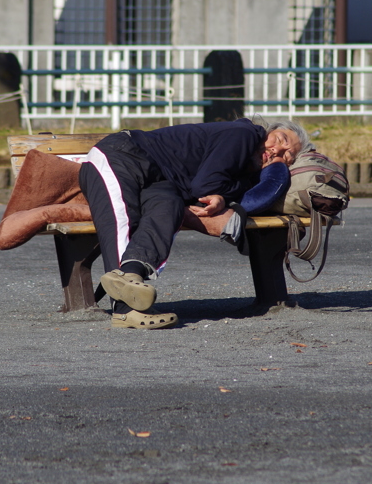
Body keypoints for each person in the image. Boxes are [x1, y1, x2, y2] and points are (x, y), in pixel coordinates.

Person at [77, 118, 308, 329]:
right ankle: (126, 308)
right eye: (280, 139)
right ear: (268, 130)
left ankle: (132, 278)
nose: (277, 149)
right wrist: (223, 195)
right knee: (123, 221)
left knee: (168, 210)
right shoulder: (245, 133)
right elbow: (205, 186)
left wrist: (224, 195)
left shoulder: (243, 171)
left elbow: (208, 186)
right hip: (122, 155)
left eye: (287, 155)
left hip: (162, 180)